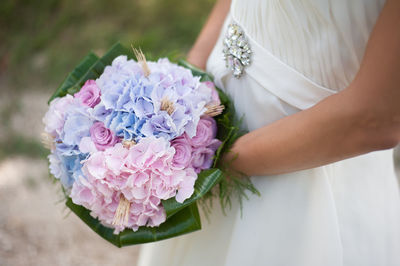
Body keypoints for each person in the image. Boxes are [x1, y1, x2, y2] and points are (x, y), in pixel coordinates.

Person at [137, 0, 400, 265]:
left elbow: (376, 118)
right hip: (212, 114)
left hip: (306, 165)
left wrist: (204, 160)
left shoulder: (209, 158)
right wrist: (187, 75)